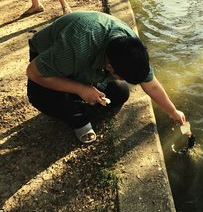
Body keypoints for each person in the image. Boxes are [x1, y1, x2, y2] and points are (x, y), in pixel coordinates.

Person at [26, 11, 186, 143]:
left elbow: (151, 85)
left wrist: (172, 111)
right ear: (110, 67)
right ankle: (77, 118)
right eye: (121, 77)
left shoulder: (131, 48)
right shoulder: (75, 49)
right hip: (48, 55)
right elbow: (33, 72)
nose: (122, 79)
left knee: (120, 94)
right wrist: (81, 88)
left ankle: (75, 96)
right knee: (41, 96)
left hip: (86, 60)